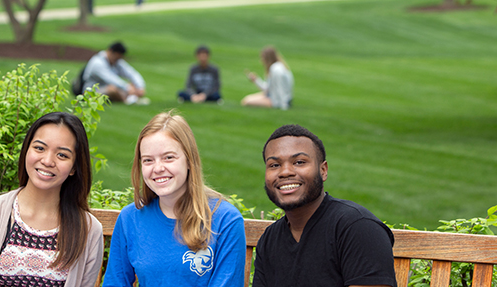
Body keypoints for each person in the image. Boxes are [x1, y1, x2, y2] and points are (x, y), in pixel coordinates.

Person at [102, 111, 246, 286]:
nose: (158, 168)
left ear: (189, 160)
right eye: (148, 160)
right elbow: (115, 283)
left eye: (168, 157)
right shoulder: (130, 218)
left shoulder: (225, 220)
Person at [0, 112, 104, 287]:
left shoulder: (88, 230)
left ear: (74, 167)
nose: (48, 161)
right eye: (39, 148)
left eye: (62, 155)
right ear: (26, 150)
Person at [252, 124, 396, 287]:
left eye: (299, 162)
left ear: (323, 170)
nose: (285, 172)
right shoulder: (270, 239)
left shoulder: (357, 228)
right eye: (274, 165)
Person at [82, 41, 148, 104]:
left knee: (130, 84)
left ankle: (132, 97)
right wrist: (128, 88)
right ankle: (127, 100)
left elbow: (131, 73)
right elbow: (111, 79)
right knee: (112, 89)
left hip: (108, 88)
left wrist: (140, 87)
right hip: (91, 92)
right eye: (116, 57)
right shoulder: (97, 62)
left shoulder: (116, 61)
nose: (117, 60)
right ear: (110, 52)